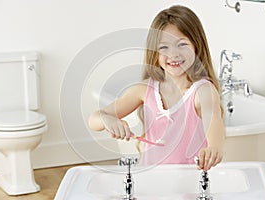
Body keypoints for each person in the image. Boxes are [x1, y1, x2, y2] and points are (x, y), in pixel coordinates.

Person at [88, 5, 225, 171]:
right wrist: (107, 119)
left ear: (197, 46)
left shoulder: (203, 92)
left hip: (188, 187)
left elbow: (214, 122)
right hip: (150, 183)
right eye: (164, 47)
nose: (173, 54)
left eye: (182, 44)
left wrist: (214, 149)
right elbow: (94, 120)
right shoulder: (144, 89)